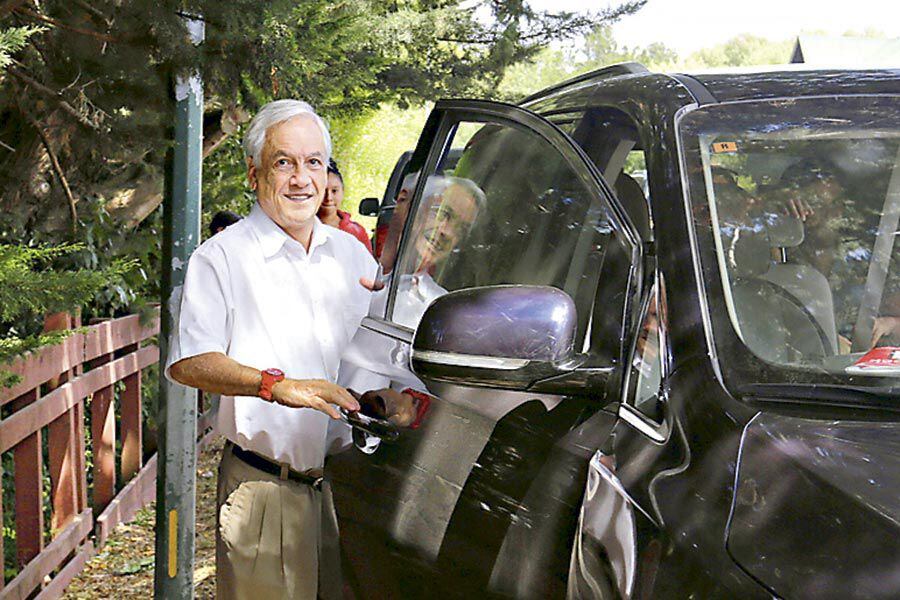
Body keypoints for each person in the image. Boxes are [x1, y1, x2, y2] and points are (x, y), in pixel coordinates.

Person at [166, 99, 416, 600]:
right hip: (266, 492)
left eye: (314, 163)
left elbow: (377, 352)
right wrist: (274, 385)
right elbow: (191, 361)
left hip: (351, 489)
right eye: (285, 162)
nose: (301, 179)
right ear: (255, 172)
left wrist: (396, 399)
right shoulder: (221, 257)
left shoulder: (350, 254)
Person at [317, 158, 372, 252]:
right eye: (323, 191)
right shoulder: (300, 229)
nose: (328, 197)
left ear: (343, 192)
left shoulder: (356, 232)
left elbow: (368, 265)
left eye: (334, 191)